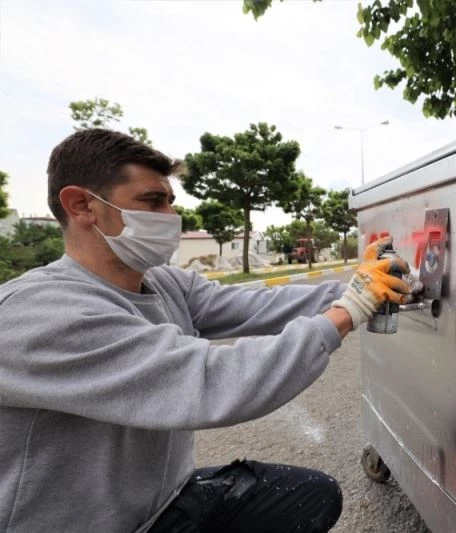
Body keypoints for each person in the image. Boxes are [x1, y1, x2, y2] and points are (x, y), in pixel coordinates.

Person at [0, 128, 418, 532]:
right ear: (81, 206)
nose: (171, 218)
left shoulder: (162, 282)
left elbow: (257, 305)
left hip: (163, 503)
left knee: (312, 496)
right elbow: (211, 381)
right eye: (153, 201)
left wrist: (361, 282)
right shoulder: (41, 315)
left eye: (170, 202)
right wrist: (349, 310)